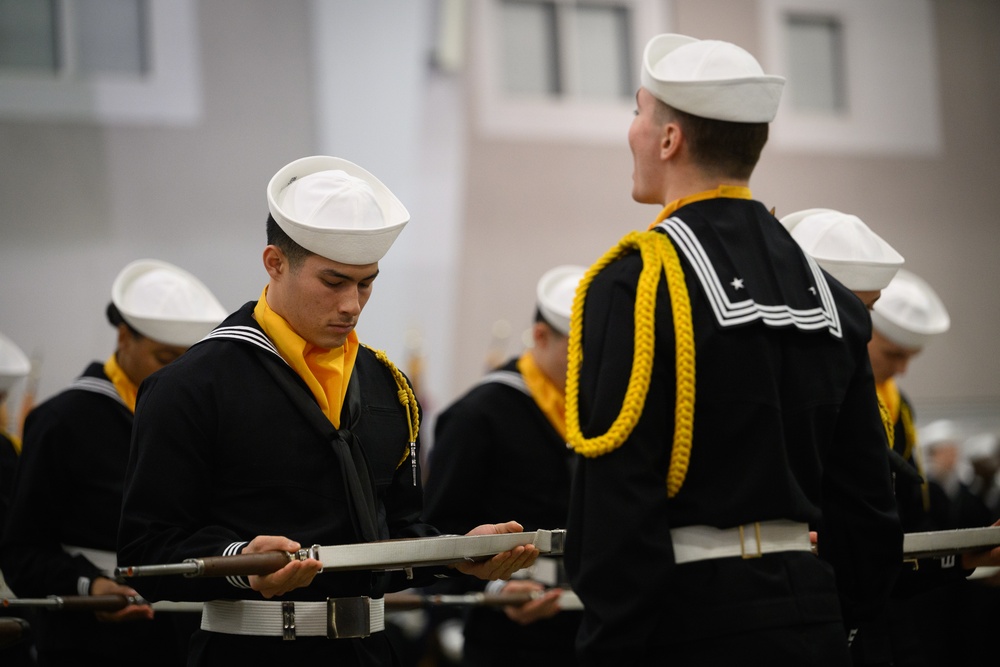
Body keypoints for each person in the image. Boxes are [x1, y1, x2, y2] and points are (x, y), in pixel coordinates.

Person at [116, 156, 539, 666]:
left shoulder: (388, 385)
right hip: (250, 653)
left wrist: (458, 553)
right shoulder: (192, 386)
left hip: (372, 652)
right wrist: (240, 562)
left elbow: (396, 534)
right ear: (274, 262)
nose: (352, 305)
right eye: (333, 281)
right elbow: (146, 549)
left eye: (366, 283)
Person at [563, 33, 902, 666]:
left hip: (689, 624)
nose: (631, 131)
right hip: (813, 621)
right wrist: (836, 612)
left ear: (669, 140)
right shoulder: (831, 297)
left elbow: (618, 502)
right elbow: (867, 502)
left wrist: (609, 644)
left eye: (638, 112)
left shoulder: (637, 283)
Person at [0, 259, 228, 666]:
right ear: (124, 337)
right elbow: (22, 550)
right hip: (87, 646)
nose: (178, 374)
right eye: (164, 357)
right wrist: (89, 587)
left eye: (188, 362)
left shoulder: (198, 419)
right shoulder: (61, 421)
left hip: (183, 641)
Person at [422, 264, 586, 667]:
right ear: (542, 337)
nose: (595, 363)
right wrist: (498, 593)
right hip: (507, 638)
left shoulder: (603, 412)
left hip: (591, 631)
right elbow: (438, 534)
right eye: (582, 349)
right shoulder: (478, 416)